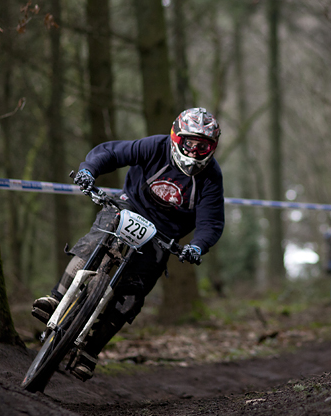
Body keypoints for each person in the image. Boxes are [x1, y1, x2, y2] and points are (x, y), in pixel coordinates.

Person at [32, 107, 224, 381]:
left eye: (202, 147)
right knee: (96, 239)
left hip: (165, 232)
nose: (194, 153)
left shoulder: (211, 177)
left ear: (212, 148)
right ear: (176, 138)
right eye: (189, 144)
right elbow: (111, 152)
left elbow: (211, 221)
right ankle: (56, 298)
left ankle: (90, 350)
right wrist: (89, 171)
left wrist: (197, 246)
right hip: (131, 205)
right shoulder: (155, 146)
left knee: (134, 293)